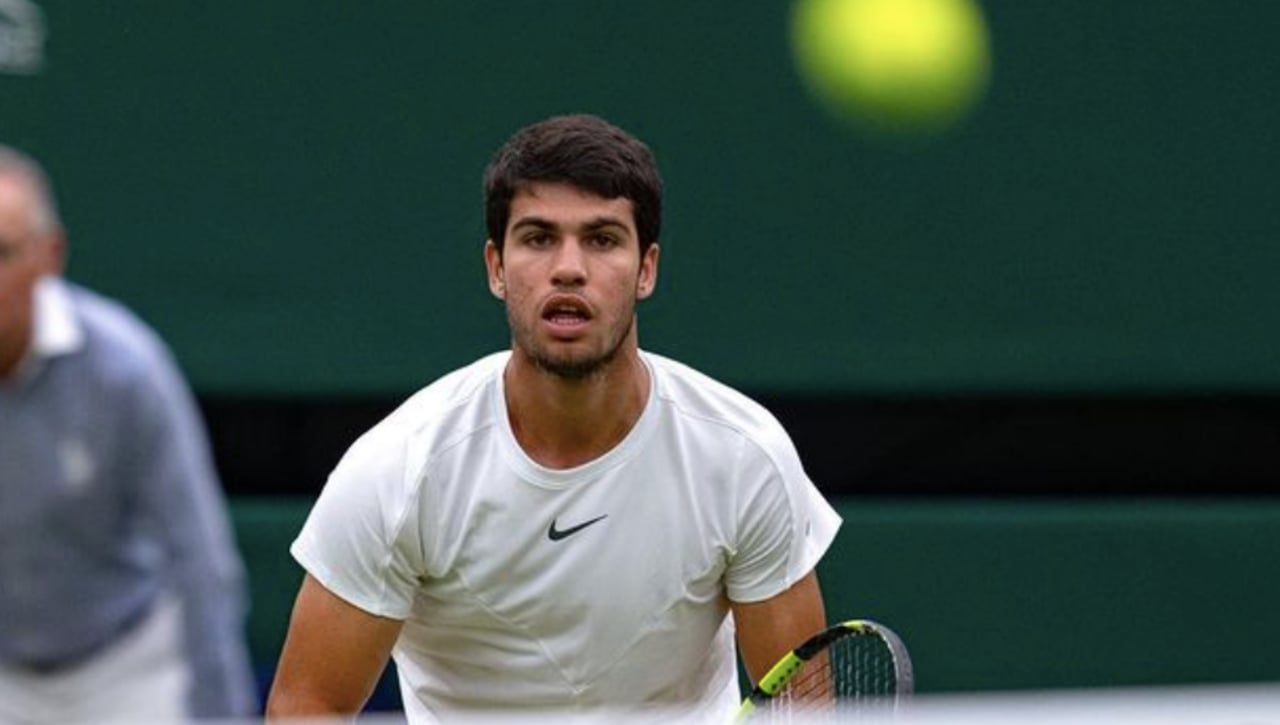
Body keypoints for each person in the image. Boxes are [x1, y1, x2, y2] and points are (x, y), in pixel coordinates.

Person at [266, 114, 842, 722]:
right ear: (496, 267)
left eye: (602, 240)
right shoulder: (400, 469)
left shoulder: (742, 456)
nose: (569, 268)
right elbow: (308, 708)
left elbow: (802, 713)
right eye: (539, 238)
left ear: (646, 268)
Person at [0, 146, 257, 721]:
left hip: (124, 666)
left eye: (0, 253)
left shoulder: (125, 367)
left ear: (49, 256)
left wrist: (222, 711)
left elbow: (199, 554)